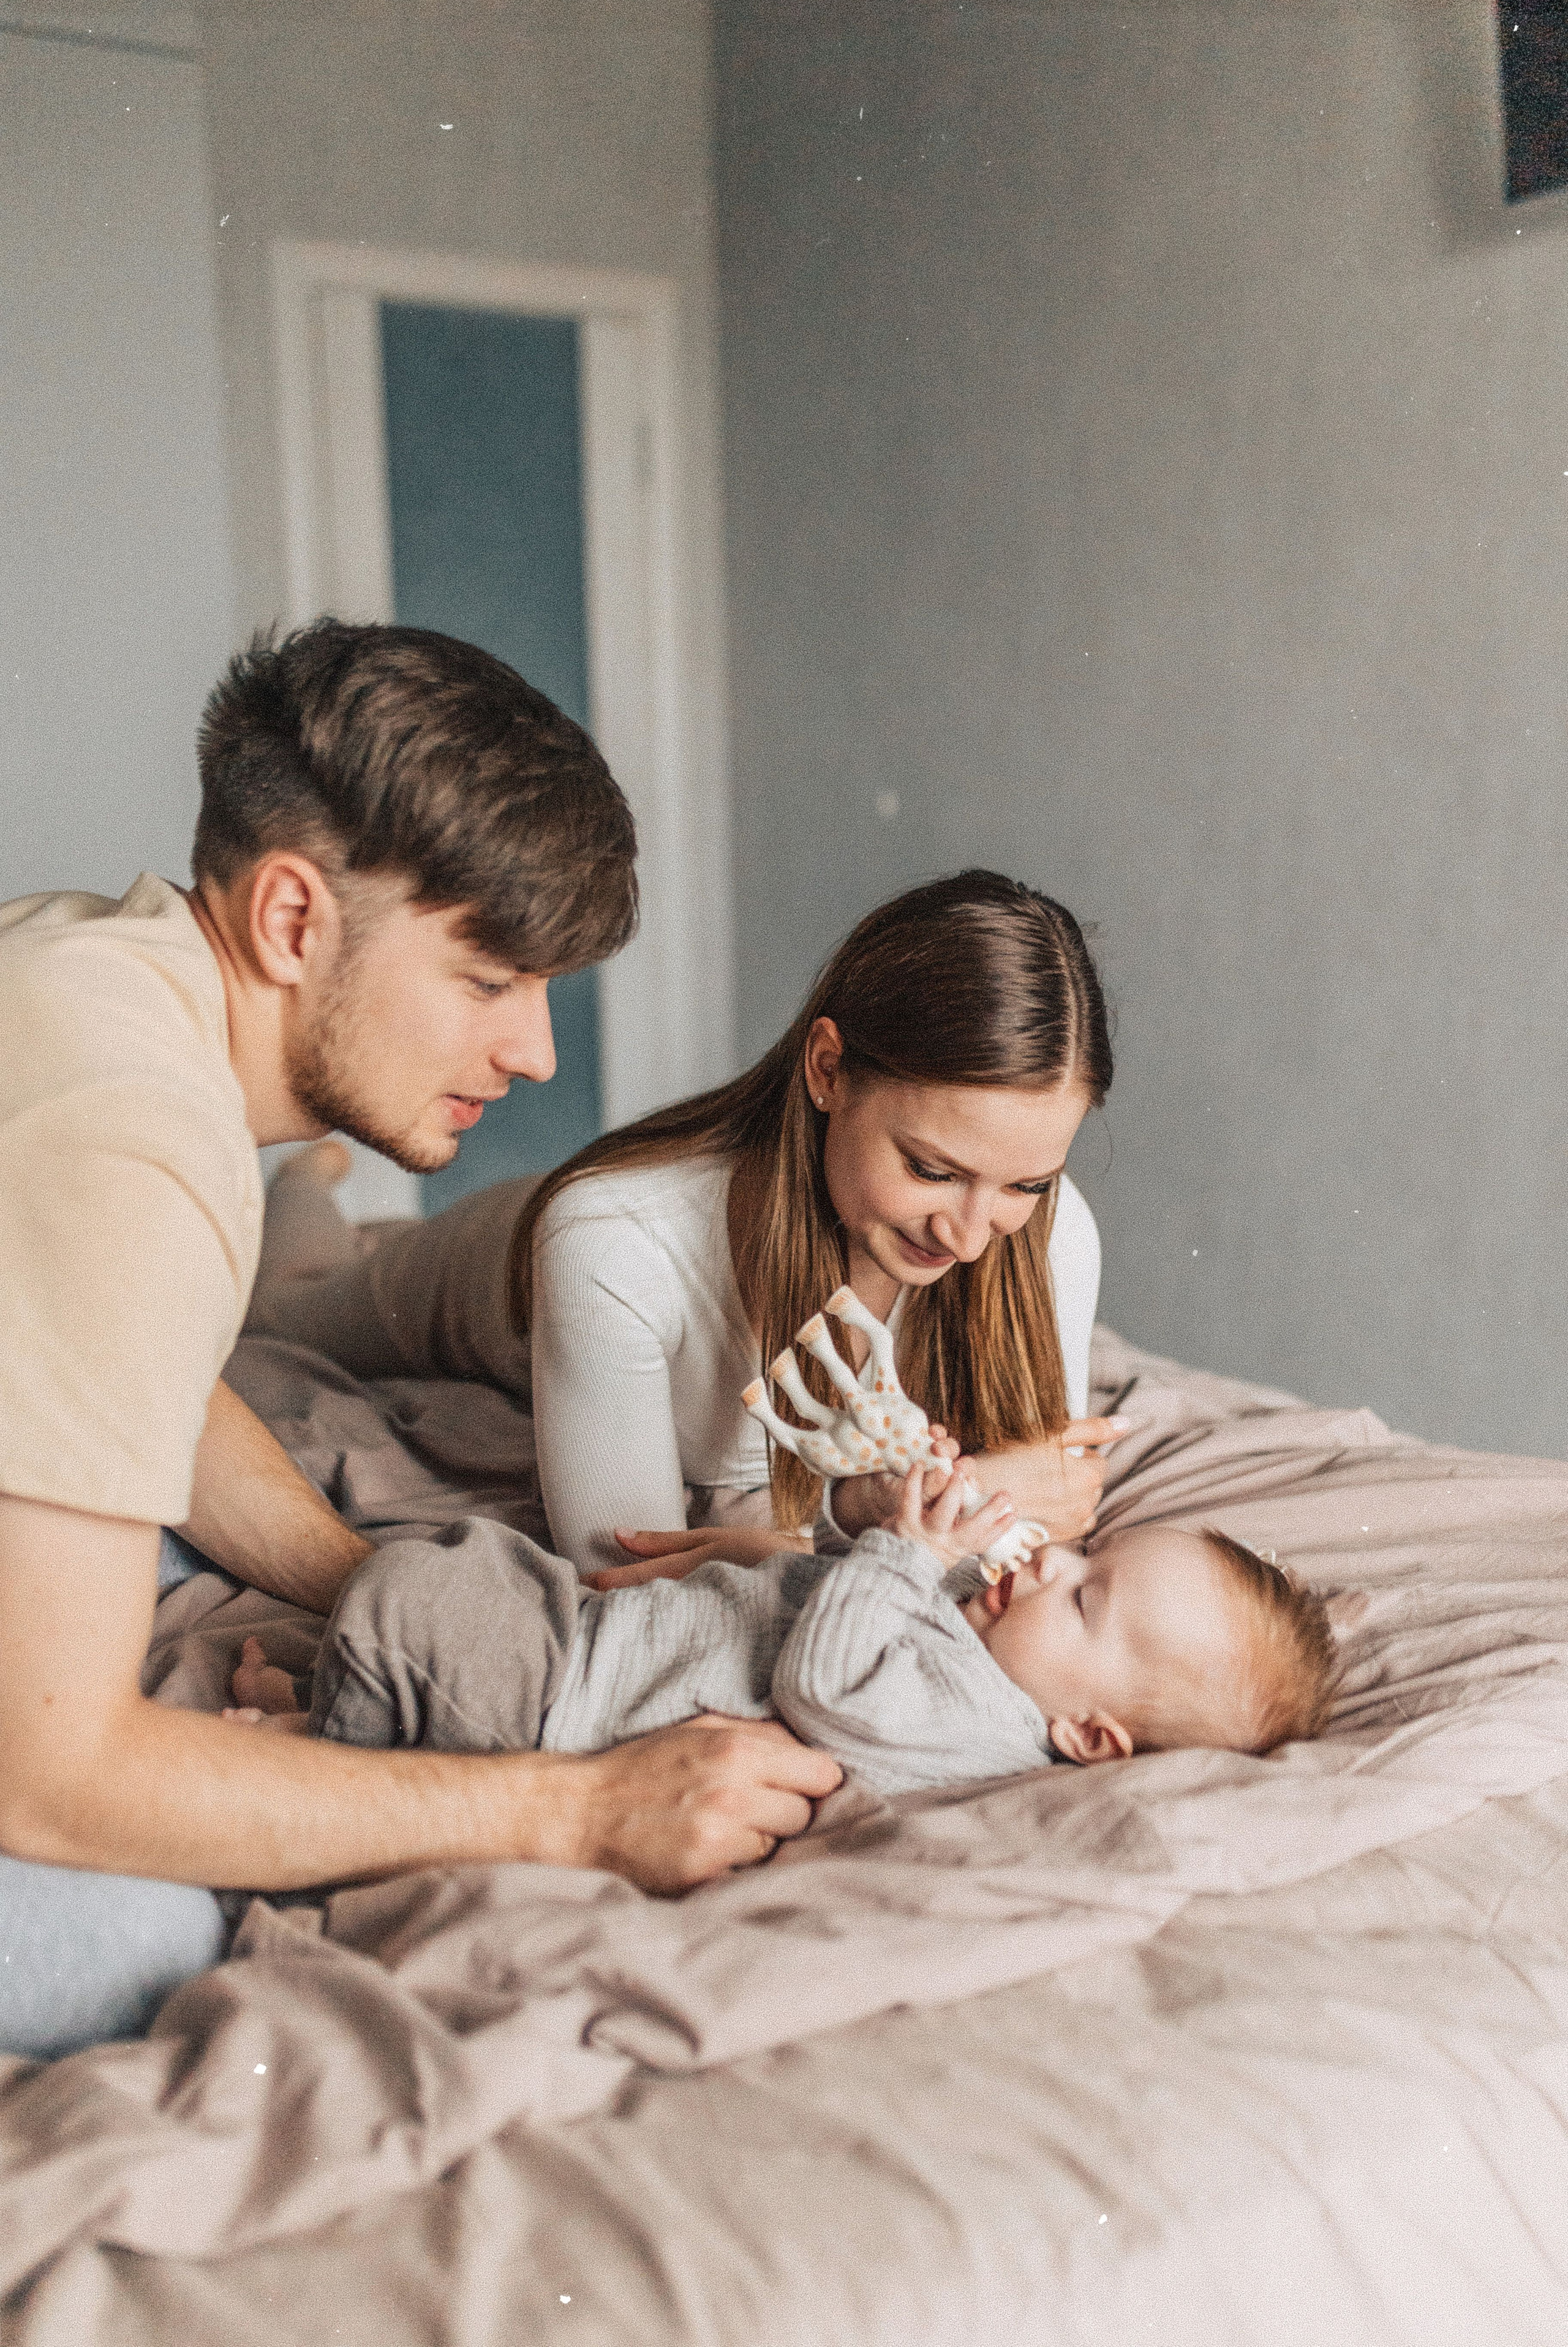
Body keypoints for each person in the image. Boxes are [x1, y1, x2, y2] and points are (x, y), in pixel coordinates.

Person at [0, 619, 840, 2062]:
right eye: (488, 979)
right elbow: (50, 1782)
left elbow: (131, 1381)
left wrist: (364, 1590)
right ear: (290, 919)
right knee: (149, 1946)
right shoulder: (127, 1139)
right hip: (38, 1767)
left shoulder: (94, 970)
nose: (537, 1055)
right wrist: (572, 1809)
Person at [247, 870, 1131, 1581]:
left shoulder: (1050, 1236)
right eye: (932, 1170)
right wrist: (855, 1525)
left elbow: (1029, 1518)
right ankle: (305, 1182)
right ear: (829, 1071)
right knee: (295, 1308)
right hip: (499, 1266)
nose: (973, 1237)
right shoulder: (616, 1243)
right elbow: (623, 1566)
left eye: (1025, 1182)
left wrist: (858, 1516)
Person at [226, 1464, 1336, 1785]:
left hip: (562, 1705)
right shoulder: (991, 1644)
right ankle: (337, 1701)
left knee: (408, 1592)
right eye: (1087, 1553)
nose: (1053, 1557)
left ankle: (331, 1759)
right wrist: (875, 1519)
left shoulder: (975, 1730)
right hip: (595, 1635)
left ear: (1091, 1736)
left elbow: (827, 1682)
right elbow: (833, 1586)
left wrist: (907, 1558)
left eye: (1085, 1595)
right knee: (472, 1566)